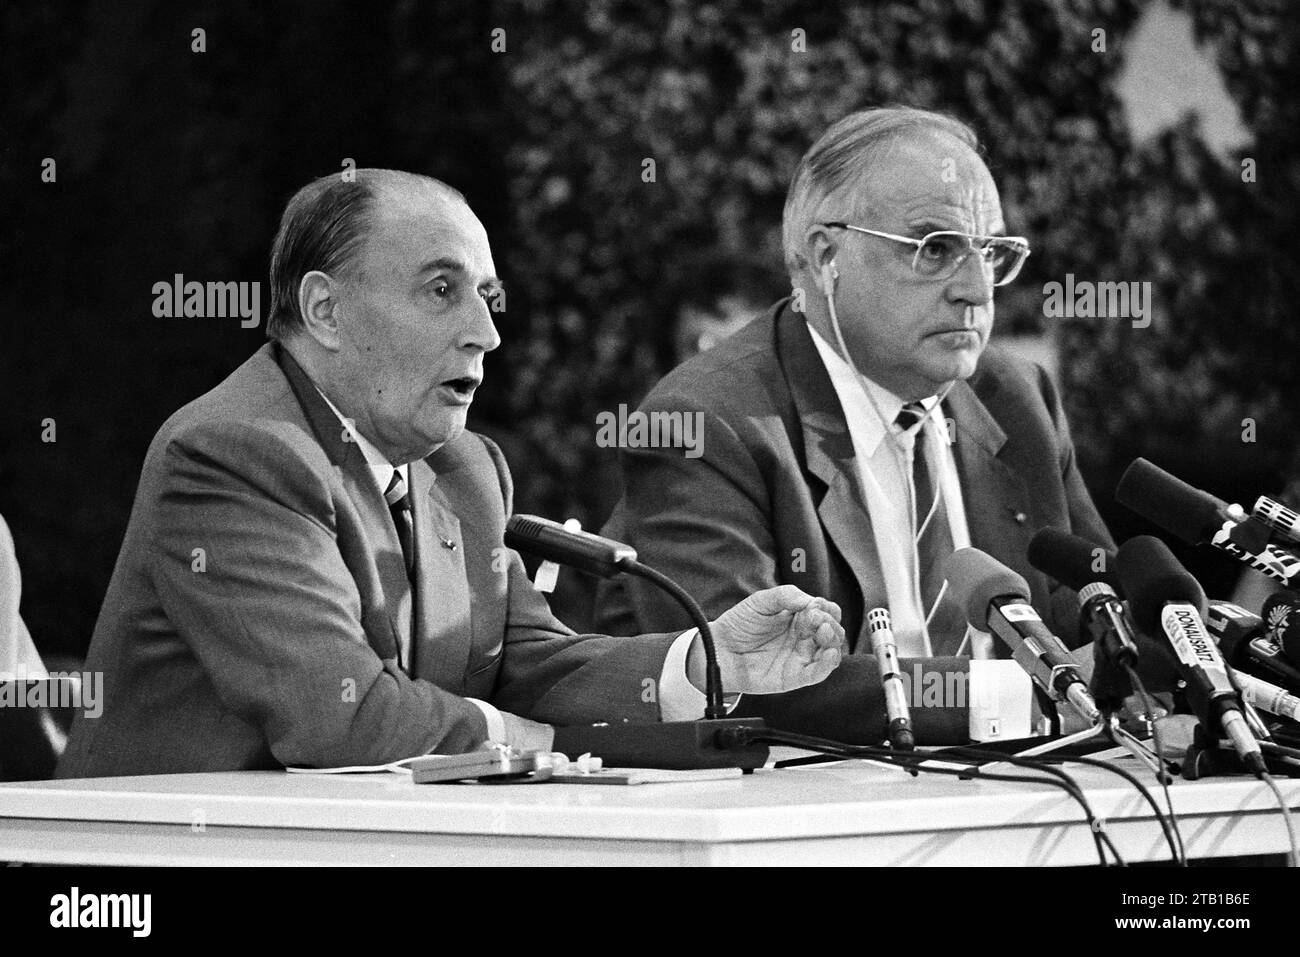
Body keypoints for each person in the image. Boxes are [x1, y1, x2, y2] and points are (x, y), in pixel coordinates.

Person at [56, 170, 844, 778]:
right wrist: (531, 742)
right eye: (443, 291)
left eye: (488, 297)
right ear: (325, 311)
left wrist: (702, 663)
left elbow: (533, 665)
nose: (487, 333)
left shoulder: (464, 466)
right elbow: (346, 719)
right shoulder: (231, 452)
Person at [595, 107, 1114, 743]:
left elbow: (1097, 614)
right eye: (937, 249)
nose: (978, 290)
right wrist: (1026, 693)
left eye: (993, 253)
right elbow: (749, 679)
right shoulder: (707, 421)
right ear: (826, 255)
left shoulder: (1017, 399)